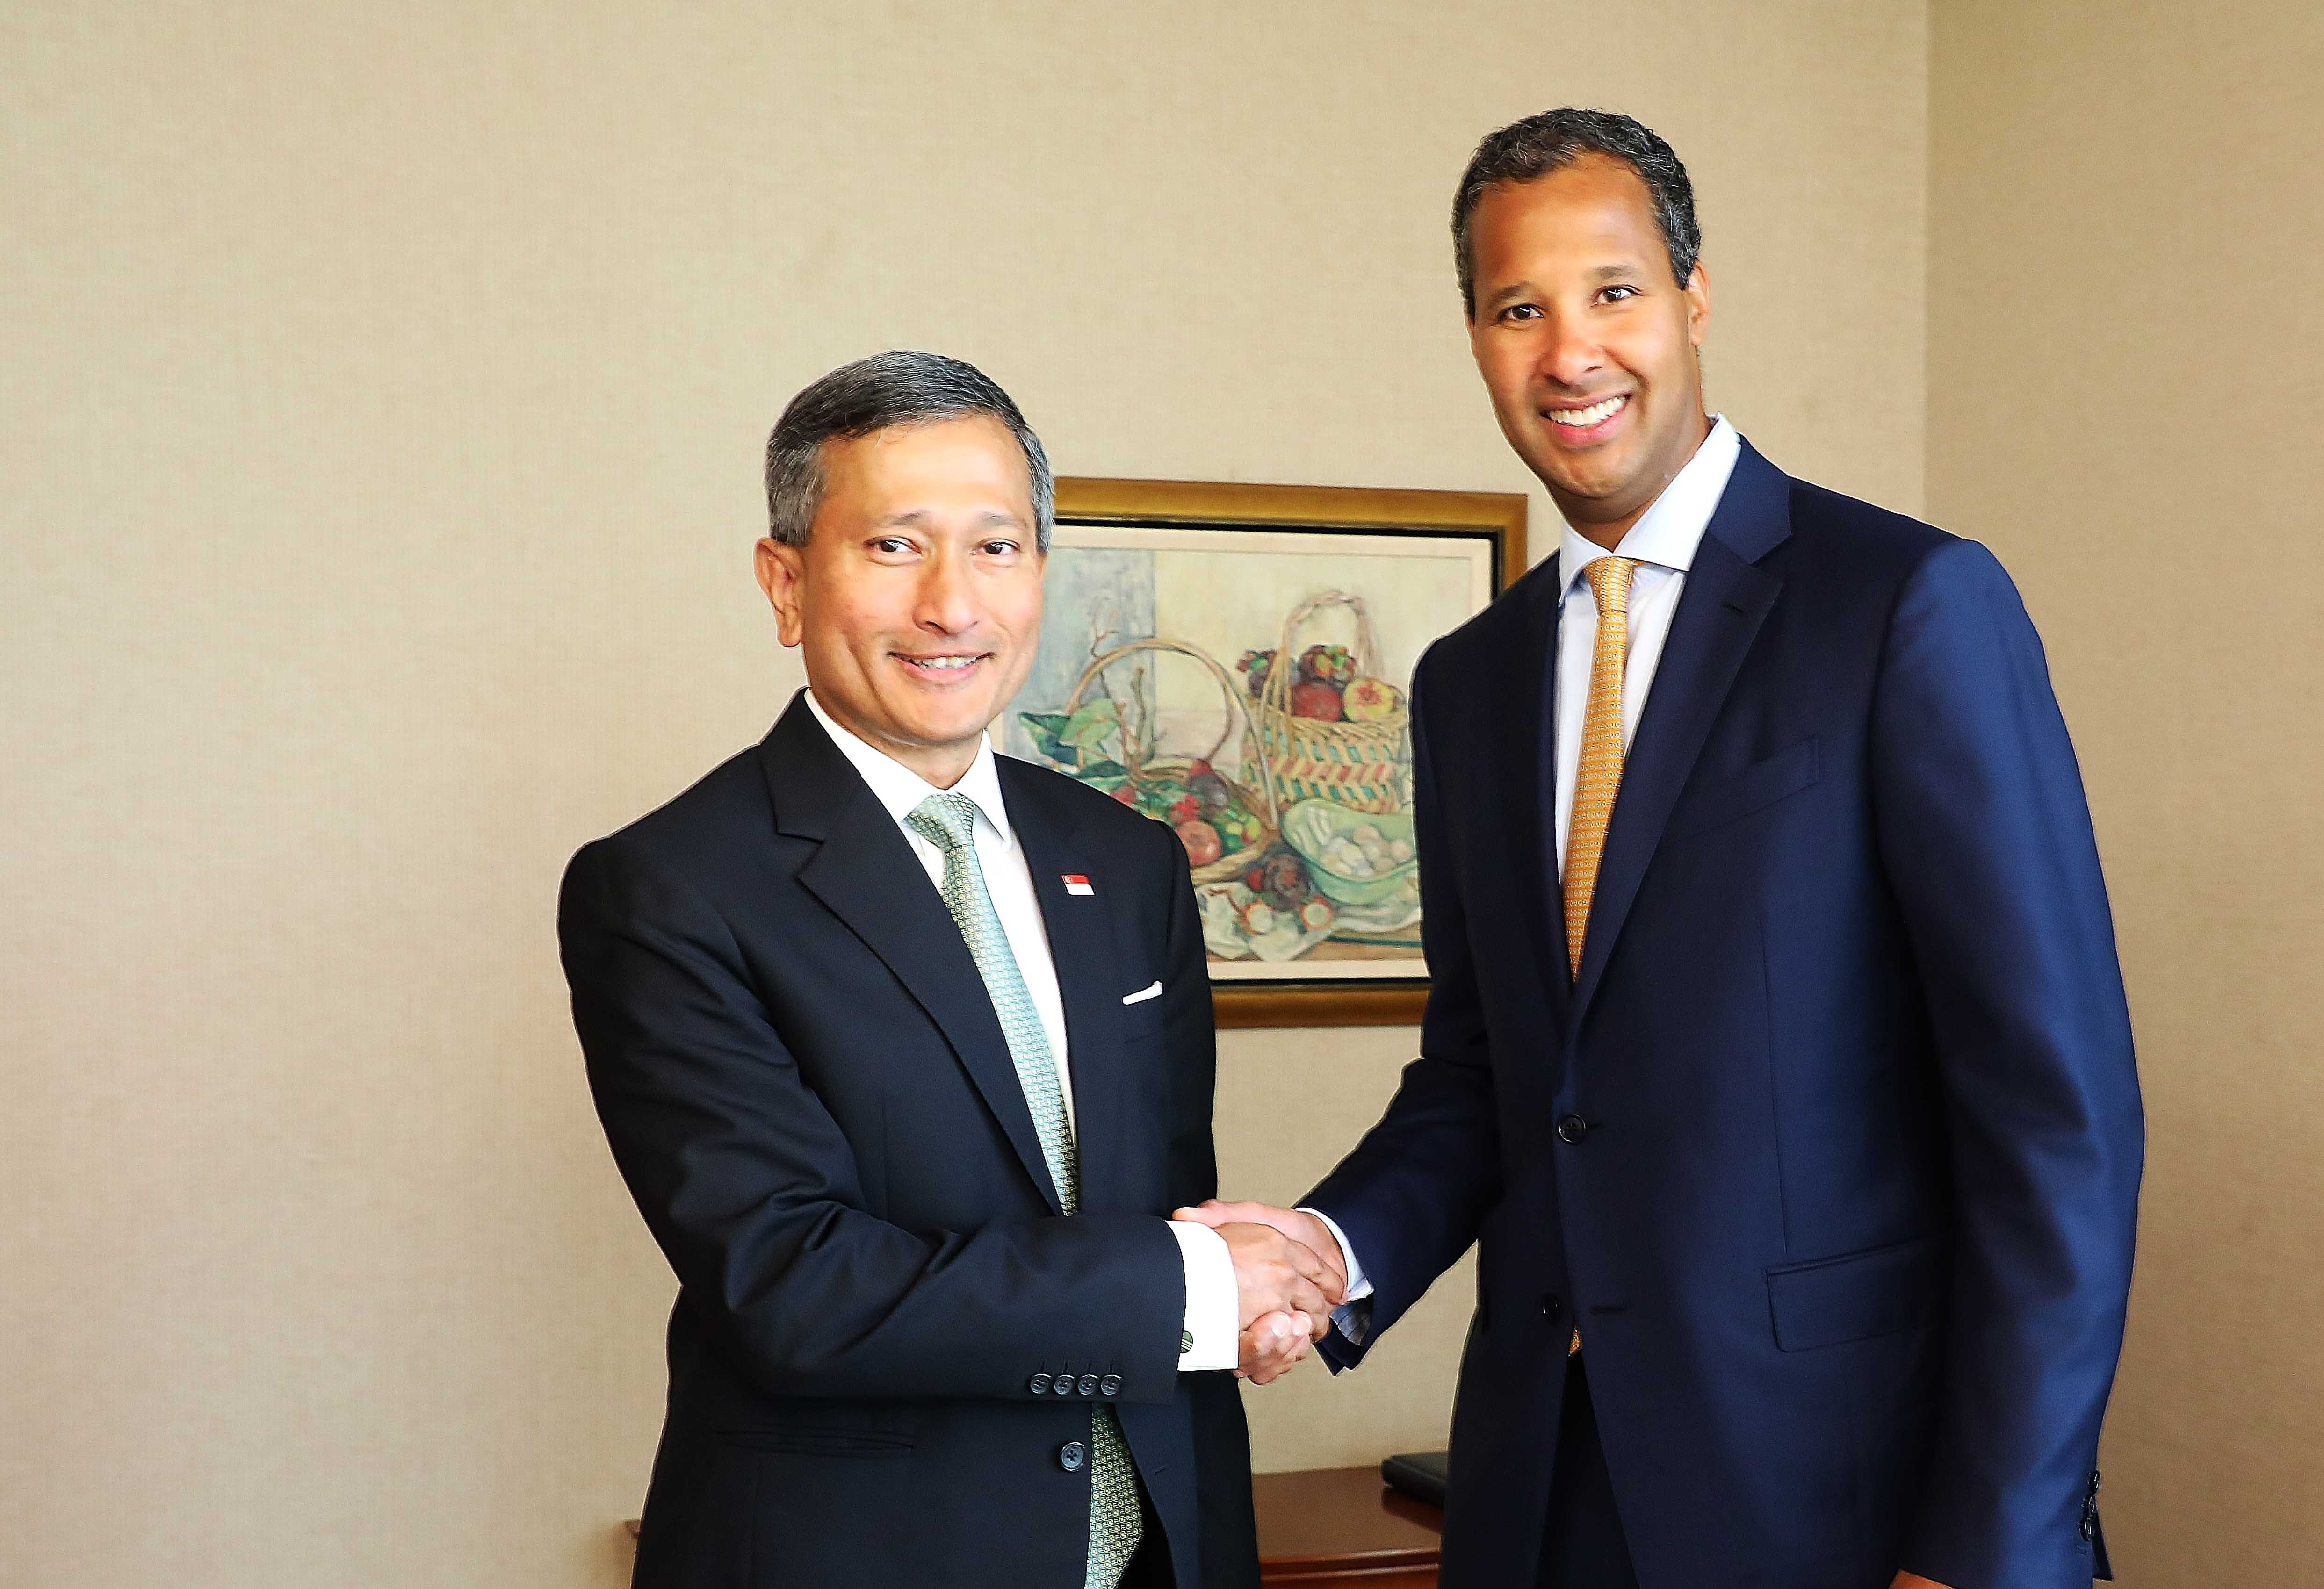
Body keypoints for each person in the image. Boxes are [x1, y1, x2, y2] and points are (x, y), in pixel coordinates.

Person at [1179, 110, 2145, 1589]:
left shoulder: (1906, 604)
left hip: (1841, 1503)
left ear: (1694, 298)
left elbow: (2056, 1119)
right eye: (1519, 309)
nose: (1571, 353)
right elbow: (1491, 1077)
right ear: (1477, 338)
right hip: (1540, 1494)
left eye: (1613, 292)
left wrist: (1992, 1545)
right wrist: (1331, 1248)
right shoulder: (1468, 682)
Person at [559, 350, 1341, 1589]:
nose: (952, 605)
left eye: (996, 547)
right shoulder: (669, 887)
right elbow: (795, 1287)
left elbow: (1154, 1211)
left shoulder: (1127, 860)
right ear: (785, 582)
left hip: (1160, 1546)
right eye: (894, 547)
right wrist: (1192, 1287)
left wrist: (1239, 1300)